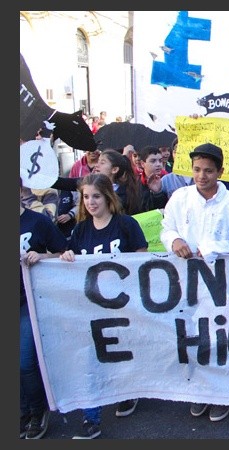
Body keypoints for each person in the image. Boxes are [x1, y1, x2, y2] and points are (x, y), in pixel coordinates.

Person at [160, 143, 229, 423]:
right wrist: (174, 240)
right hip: (186, 281)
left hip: (221, 283)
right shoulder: (180, 197)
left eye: (208, 171)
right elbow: (168, 227)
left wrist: (213, 248)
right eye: (197, 170)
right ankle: (200, 391)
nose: (202, 176)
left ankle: (221, 393)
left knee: (220, 337)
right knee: (192, 335)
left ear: (221, 171)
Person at [60, 173, 148, 438]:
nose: (90, 202)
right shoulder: (80, 230)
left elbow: (142, 259)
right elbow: (72, 260)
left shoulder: (125, 225)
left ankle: (128, 392)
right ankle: (91, 418)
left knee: (122, 353)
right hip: (90, 307)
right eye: (86, 197)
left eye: (96, 196)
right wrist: (66, 256)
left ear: (108, 196)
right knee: (89, 358)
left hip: (123, 306)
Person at [20, 182, 69, 439]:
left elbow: (64, 254)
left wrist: (41, 258)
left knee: (25, 361)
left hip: (27, 301)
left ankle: (37, 411)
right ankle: (22, 413)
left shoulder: (37, 222)